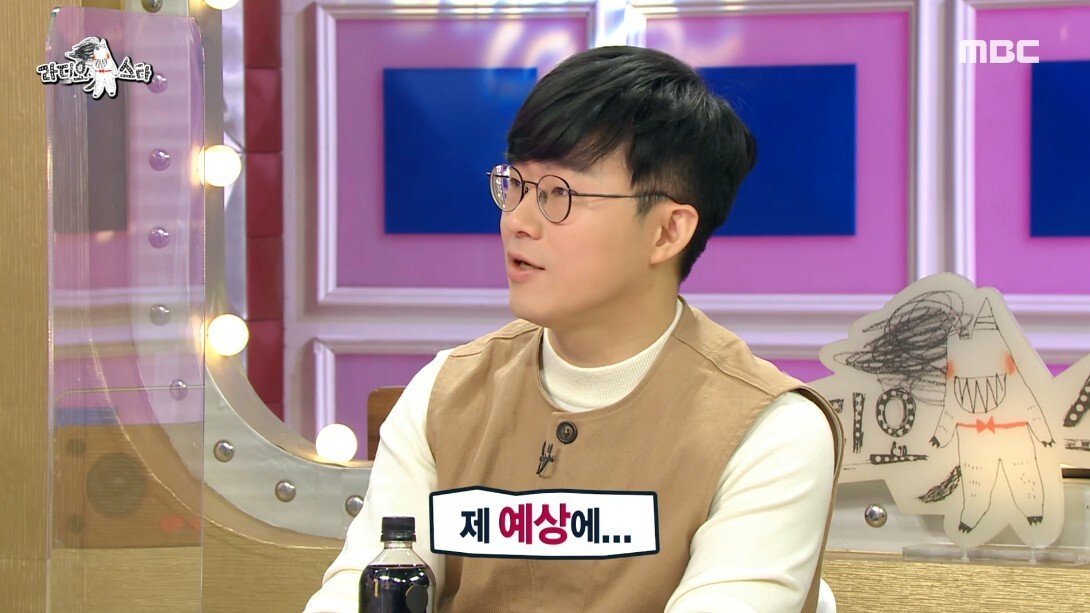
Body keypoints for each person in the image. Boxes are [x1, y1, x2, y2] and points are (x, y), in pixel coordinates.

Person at [305, 45, 843, 613]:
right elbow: (360, 591)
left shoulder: (770, 431)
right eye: (515, 184)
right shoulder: (443, 393)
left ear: (667, 232)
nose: (517, 221)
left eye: (558, 194)